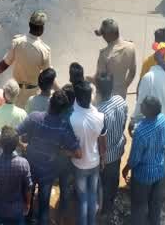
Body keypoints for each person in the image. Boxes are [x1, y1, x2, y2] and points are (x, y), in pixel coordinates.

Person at [17, 90, 81, 225]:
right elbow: (78, 153)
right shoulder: (63, 127)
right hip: (48, 173)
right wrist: (60, 153)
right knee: (44, 207)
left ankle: (27, 220)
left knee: (27, 200)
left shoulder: (34, 118)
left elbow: (14, 133)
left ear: (49, 103)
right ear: (63, 109)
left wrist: (23, 146)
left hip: (30, 168)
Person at [123, 96, 165, 225]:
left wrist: (126, 168)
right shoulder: (164, 120)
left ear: (148, 111)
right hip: (160, 170)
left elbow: (135, 158)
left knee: (139, 204)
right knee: (155, 203)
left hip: (143, 175)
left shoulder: (140, 131)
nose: (141, 105)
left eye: (143, 105)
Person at [0, 11, 52, 108]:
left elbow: (5, 64)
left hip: (14, 92)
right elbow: (48, 76)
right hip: (32, 94)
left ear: (29, 24)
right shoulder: (45, 50)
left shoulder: (17, 42)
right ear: (42, 29)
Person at [69, 81, 106, 225]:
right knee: (92, 196)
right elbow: (103, 144)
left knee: (83, 198)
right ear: (91, 96)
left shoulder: (72, 119)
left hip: (79, 165)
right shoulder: (101, 117)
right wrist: (102, 159)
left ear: (77, 98)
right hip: (95, 163)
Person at [0, 125, 33, 225]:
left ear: (0, 144)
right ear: (16, 144)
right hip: (17, 209)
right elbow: (28, 187)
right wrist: (28, 203)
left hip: (0, 209)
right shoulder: (23, 163)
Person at [96, 74, 128, 215]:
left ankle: (105, 210)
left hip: (105, 156)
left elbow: (99, 139)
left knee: (103, 184)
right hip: (118, 149)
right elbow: (124, 123)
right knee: (113, 180)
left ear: (98, 90)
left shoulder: (99, 111)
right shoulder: (120, 100)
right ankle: (111, 204)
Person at [94, 18, 136, 98]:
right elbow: (132, 72)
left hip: (106, 99)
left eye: (103, 34)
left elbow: (99, 81)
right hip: (121, 96)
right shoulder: (131, 47)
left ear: (108, 36)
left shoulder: (104, 55)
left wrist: (86, 78)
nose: (103, 37)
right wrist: (124, 87)